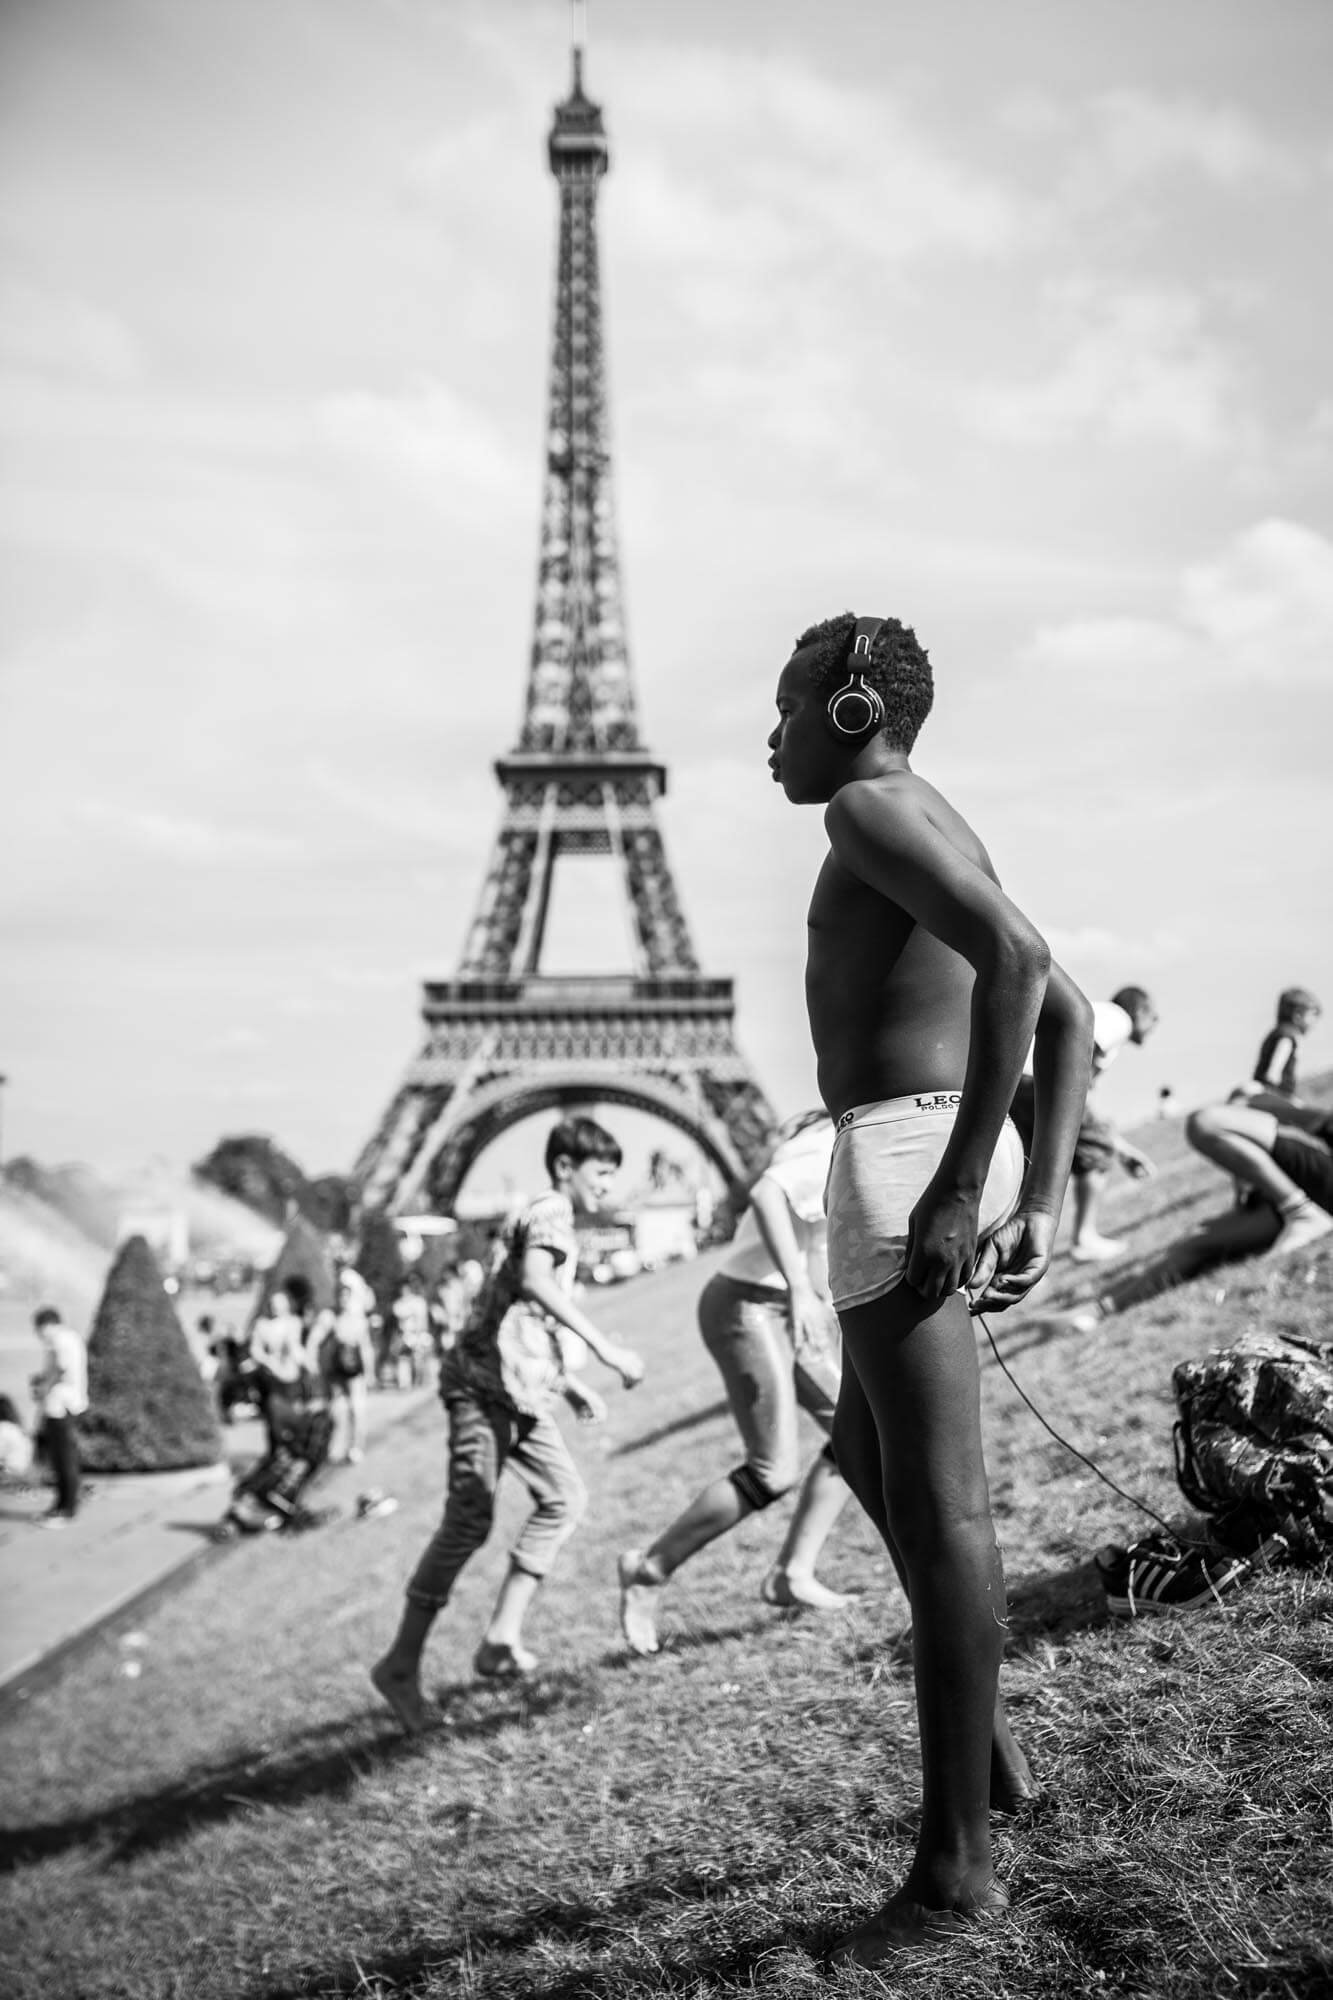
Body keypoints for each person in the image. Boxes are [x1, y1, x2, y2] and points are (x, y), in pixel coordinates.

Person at [767, 611, 1093, 1969]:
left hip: (905, 1152)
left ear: (849, 711)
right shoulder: (932, 814)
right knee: (864, 1451)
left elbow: (1021, 973)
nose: (766, 736)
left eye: (785, 706)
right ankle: (991, 1755)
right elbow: (1065, 1007)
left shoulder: (864, 811)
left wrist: (968, 1188)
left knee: (940, 1505)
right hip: (928, 1143)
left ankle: (956, 1865)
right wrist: (1040, 1186)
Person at [370, 1117, 646, 1733]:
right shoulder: (550, 1209)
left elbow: (517, 1312)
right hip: (481, 1388)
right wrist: (605, 1351)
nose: (606, 1186)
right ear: (565, 1167)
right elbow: (533, 1284)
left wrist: (567, 1383)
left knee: (564, 1497)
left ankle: (499, 1638)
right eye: (601, 1173)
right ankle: (399, 1664)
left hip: (519, 1393)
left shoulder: (552, 1218)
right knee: (470, 1518)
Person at [618, 1111, 857, 1656]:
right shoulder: (828, 1139)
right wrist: (799, 1288)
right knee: (773, 1470)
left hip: (792, 1308)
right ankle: (648, 1569)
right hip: (749, 1304)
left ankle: (791, 1574)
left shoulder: (854, 1134)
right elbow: (768, 1194)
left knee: (857, 1433)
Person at [1009, 985, 1158, 1263]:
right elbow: (1080, 1048)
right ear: (1139, 1012)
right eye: (1154, 1017)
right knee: (1097, 1149)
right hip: (1043, 1082)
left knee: (1025, 1169)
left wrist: (1122, 1149)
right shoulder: (1117, 1018)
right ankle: (1084, 1239)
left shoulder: (1098, 1013)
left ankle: (1013, 1254)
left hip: (1018, 1084)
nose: (1154, 1026)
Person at [1186, 1089, 1333, 1259]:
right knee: (1193, 1242)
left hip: (1315, 1179)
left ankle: (1302, 1214)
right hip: (1289, 1198)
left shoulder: (1252, 1099)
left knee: (1205, 1121)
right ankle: (1300, 1213)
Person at [29, 1305, 89, 1527]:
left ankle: (66, 1509)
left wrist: (44, 1386)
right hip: (66, 1405)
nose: (38, 1334)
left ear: (47, 1325)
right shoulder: (69, 1338)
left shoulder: (59, 1340)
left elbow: (61, 1369)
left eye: (38, 1329)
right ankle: (62, 1506)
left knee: (63, 1460)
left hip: (60, 1406)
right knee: (63, 1459)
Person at [1248, 987, 1321, 1101]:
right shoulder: (1287, 1037)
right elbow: (1273, 1073)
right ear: (1298, 1015)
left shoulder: (1278, 1033)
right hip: (1274, 1093)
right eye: (1312, 1015)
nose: (1314, 1023)